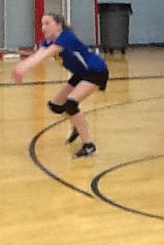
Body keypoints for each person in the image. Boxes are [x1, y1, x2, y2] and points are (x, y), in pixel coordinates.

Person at [12, 13, 109, 159]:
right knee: (57, 106)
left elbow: (44, 56)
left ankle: (89, 146)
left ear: (58, 25)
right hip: (81, 74)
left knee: (71, 103)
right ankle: (77, 125)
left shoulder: (66, 38)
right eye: (42, 24)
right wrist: (22, 66)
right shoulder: (47, 42)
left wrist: (23, 67)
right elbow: (39, 54)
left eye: (47, 23)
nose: (43, 27)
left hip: (95, 71)